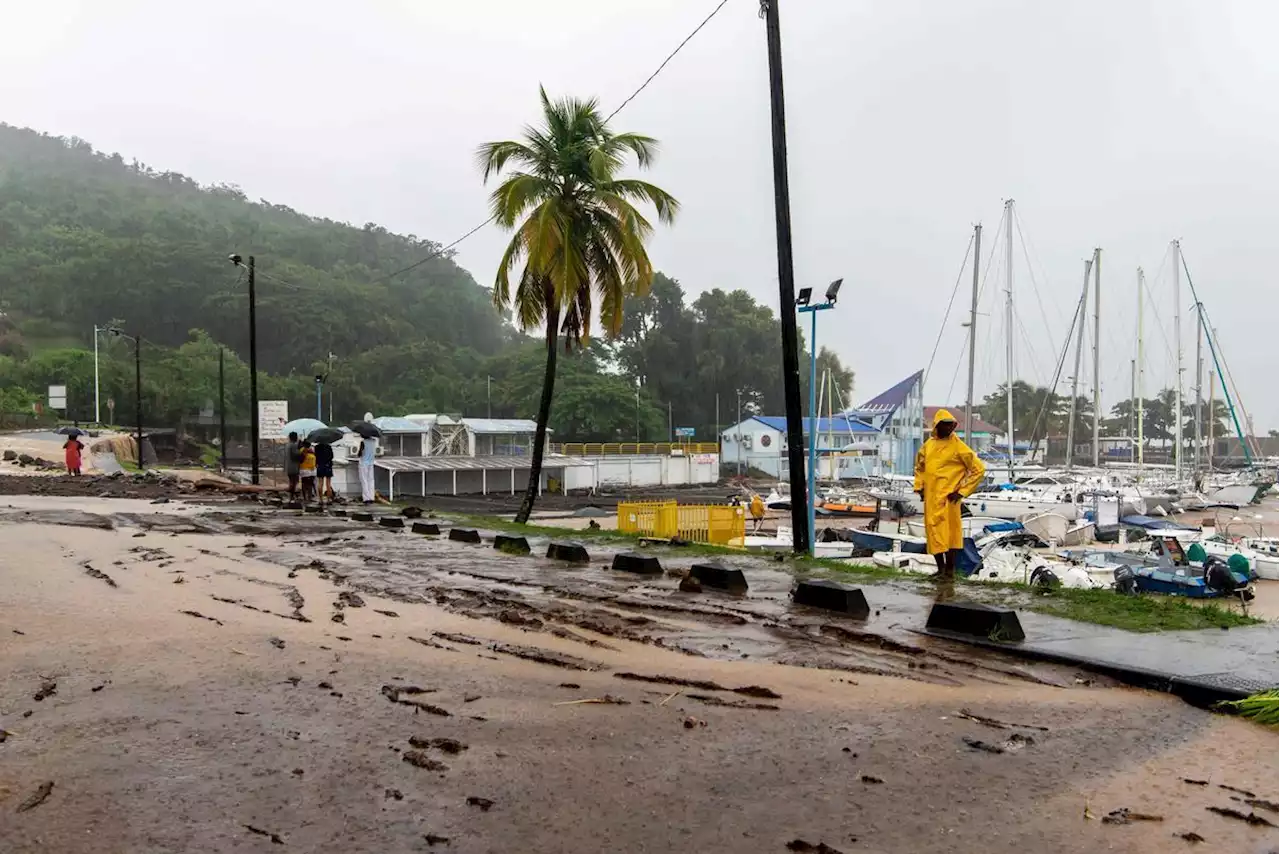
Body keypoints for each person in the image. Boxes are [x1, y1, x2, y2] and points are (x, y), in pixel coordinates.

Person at [913, 409, 985, 580]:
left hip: (949, 499)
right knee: (934, 534)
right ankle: (940, 569)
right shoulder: (928, 445)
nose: (948, 428)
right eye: (944, 425)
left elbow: (978, 469)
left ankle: (950, 571)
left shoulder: (958, 446)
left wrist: (961, 492)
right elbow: (919, 467)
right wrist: (920, 487)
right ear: (937, 426)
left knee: (951, 536)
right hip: (931, 498)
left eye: (950, 425)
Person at [357, 434, 377, 505]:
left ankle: (366, 498)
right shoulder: (373, 441)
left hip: (363, 463)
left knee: (364, 480)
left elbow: (359, 453)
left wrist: (359, 452)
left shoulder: (363, 442)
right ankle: (372, 497)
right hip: (371, 462)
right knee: (371, 480)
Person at [314, 441, 334, 506]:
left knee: (320, 483)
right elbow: (332, 456)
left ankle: (320, 500)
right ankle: (328, 500)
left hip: (320, 466)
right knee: (328, 484)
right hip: (328, 466)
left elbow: (315, 456)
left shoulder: (316, 447)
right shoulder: (329, 447)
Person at [285, 431, 301, 500]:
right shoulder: (294, 445)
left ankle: (291, 497)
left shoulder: (288, 445)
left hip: (289, 466)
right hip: (294, 467)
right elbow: (296, 455)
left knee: (291, 481)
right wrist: (300, 450)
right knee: (294, 482)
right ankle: (292, 497)